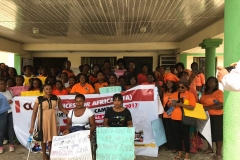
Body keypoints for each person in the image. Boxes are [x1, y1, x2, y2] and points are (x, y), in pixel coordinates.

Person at [29, 83, 68, 160]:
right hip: (43, 120)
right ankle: (44, 154)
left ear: (52, 89)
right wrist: (32, 127)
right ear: (43, 90)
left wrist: (71, 113)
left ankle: (51, 154)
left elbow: (62, 109)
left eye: (50, 89)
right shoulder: (39, 99)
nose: (48, 90)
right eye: (46, 89)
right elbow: (34, 113)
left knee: (52, 138)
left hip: (53, 120)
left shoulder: (56, 98)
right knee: (43, 138)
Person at [170, 78, 196, 160]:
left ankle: (187, 154)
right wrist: (171, 105)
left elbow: (192, 107)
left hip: (184, 119)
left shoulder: (190, 95)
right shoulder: (174, 94)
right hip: (174, 118)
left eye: (182, 87)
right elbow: (170, 105)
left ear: (186, 87)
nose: (180, 89)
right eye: (179, 87)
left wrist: (181, 105)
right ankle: (180, 152)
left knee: (185, 137)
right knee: (177, 136)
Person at [199, 77, 223, 159]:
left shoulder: (219, 92)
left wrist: (210, 107)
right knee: (208, 133)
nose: (210, 82)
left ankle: (218, 153)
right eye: (209, 81)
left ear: (216, 83)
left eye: (212, 81)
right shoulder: (205, 92)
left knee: (217, 135)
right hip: (205, 116)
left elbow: (221, 105)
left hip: (216, 116)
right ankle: (210, 148)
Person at [162, 73, 178, 152]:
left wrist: (169, 112)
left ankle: (174, 146)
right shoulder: (164, 92)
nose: (169, 84)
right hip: (165, 115)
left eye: (171, 82)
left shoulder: (176, 93)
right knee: (167, 131)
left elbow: (174, 104)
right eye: (168, 82)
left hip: (173, 115)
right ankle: (168, 145)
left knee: (173, 131)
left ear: (173, 84)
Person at [0, 78, 14, 152]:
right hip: (2, 113)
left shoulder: (10, 91)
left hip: (10, 112)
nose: (3, 85)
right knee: (2, 130)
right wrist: (6, 102)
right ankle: (1, 146)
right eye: (1, 84)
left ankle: (11, 144)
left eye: (4, 84)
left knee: (10, 129)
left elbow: (15, 99)